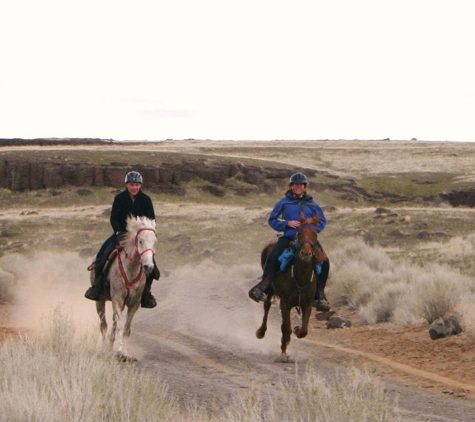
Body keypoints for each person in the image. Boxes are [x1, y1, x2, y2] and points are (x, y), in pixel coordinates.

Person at [248, 172, 330, 310]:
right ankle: (262, 287)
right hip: (289, 237)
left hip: (308, 240)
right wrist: (287, 223)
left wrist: (312, 232)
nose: (298, 187)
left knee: (325, 262)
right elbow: (272, 220)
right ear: (291, 186)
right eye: (296, 184)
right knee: (273, 256)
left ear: (305, 187)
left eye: (301, 185)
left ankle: (320, 295)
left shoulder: (312, 204)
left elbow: (322, 221)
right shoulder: (283, 202)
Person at [84, 171, 159, 308]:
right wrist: (118, 232)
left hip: (140, 237)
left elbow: (151, 219)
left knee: (151, 264)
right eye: (131, 185)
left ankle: (146, 294)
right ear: (126, 185)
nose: (134, 187)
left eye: (136, 185)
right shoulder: (119, 198)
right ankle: (97, 287)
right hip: (122, 235)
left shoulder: (146, 200)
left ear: (140, 185)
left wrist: (148, 232)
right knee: (102, 255)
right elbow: (114, 218)